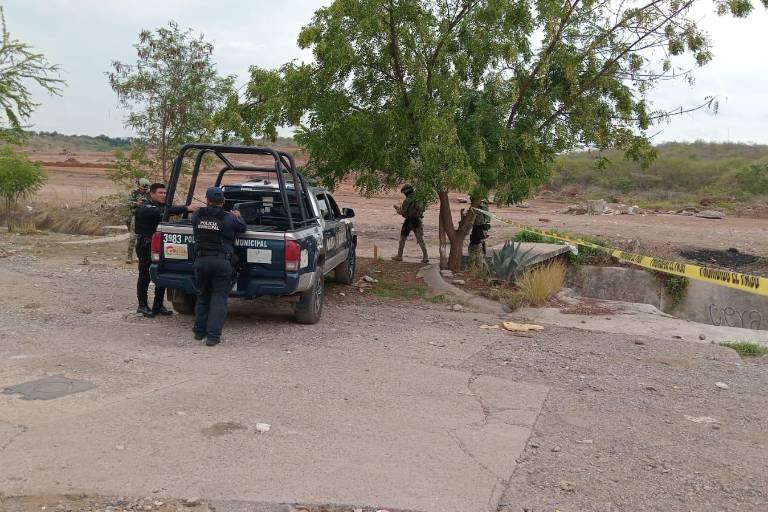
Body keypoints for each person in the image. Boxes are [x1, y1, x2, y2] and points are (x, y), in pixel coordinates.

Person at [191, 186, 246, 346]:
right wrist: (238, 216)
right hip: (222, 262)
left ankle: (199, 332)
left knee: (202, 296)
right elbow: (242, 228)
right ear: (223, 201)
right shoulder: (229, 217)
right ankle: (213, 337)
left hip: (201, 261)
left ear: (207, 200)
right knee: (219, 298)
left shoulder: (197, 215)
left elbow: (194, 223)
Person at [134, 183, 196, 318]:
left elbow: (169, 210)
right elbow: (159, 212)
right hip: (145, 244)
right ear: (151, 193)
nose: (163, 195)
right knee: (145, 275)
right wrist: (186, 208)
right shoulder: (145, 206)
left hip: (159, 245)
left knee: (161, 272)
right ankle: (142, 305)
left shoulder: (162, 206)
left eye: (164, 193)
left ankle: (158, 305)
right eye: (160, 193)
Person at [392, 184, 429, 264]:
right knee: (420, 239)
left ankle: (399, 256)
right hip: (418, 220)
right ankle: (425, 257)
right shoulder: (419, 198)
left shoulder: (407, 200)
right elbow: (423, 209)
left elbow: (402, 212)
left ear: (406, 192)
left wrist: (397, 208)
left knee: (402, 239)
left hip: (409, 221)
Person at [126, 178, 151, 264]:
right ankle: (129, 256)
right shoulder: (134, 193)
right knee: (133, 237)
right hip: (135, 216)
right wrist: (136, 203)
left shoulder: (149, 194)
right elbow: (127, 203)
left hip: (145, 217)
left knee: (141, 237)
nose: (144, 190)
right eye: (143, 189)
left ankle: (139, 256)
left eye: (146, 189)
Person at [468, 199, 491, 267]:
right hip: (478, 227)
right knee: (476, 244)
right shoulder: (481, 207)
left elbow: (486, 219)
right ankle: (477, 264)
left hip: (480, 227)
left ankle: (479, 265)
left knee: (478, 245)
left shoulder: (482, 206)